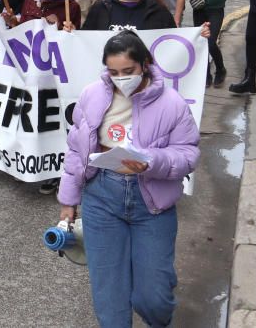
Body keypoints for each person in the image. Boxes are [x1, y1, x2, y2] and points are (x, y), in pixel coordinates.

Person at [58, 31, 199, 328]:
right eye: (113, 72)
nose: (121, 79)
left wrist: (150, 162)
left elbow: (188, 154)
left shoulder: (173, 104)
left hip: (152, 206)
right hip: (101, 200)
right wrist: (68, 202)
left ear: (145, 64)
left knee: (153, 299)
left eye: (128, 71)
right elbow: (75, 149)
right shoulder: (91, 95)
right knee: (109, 297)